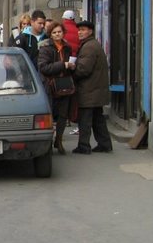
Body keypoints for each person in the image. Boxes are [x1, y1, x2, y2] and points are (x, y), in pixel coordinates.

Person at [72, 19, 113, 154]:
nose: (80, 32)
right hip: (95, 90)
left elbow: (83, 69)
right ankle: (104, 144)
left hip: (89, 90)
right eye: (79, 30)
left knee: (85, 120)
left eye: (83, 30)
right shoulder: (93, 44)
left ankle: (84, 146)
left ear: (90, 31)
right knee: (97, 119)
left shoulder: (89, 46)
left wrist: (72, 72)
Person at [38, 22, 75, 155]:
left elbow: (68, 64)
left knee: (63, 115)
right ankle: (48, 141)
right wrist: (63, 65)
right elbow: (44, 67)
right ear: (50, 34)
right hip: (50, 85)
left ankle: (59, 140)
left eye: (59, 32)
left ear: (63, 32)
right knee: (50, 114)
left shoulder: (67, 47)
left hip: (64, 84)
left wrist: (71, 66)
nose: (57, 34)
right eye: (54, 32)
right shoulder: (45, 48)